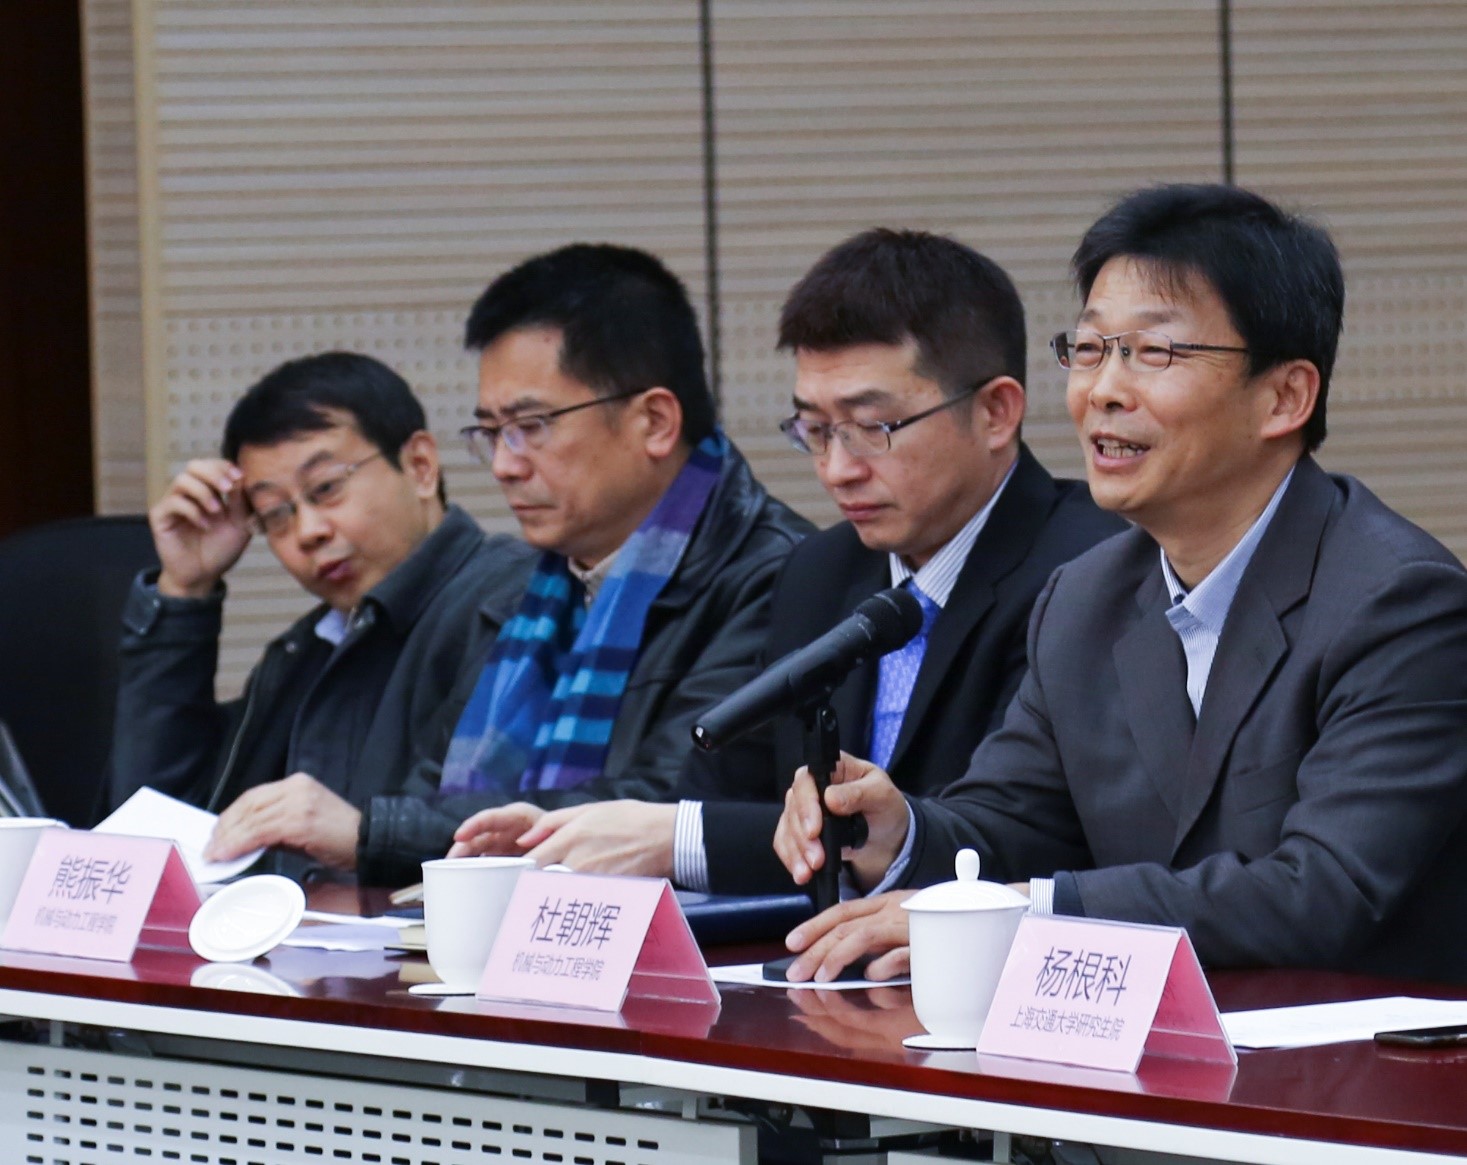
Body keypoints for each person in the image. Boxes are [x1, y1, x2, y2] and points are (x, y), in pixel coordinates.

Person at [775, 184, 1467, 984]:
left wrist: (1032, 912)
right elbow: (1012, 824)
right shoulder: (1084, 597)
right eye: (1090, 349)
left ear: (1283, 397)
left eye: (1153, 353)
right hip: (1143, 1045)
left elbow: (1321, 891)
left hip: (1351, 1053)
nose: (1101, 390)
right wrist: (898, 832)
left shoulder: (1399, 603)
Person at [447, 229, 1122, 890]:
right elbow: (726, 791)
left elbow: (1004, 832)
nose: (836, 468)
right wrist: (585, 834)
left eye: (871, 428)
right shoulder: (819, 571)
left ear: (996, 412)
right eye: (815, 430)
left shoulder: (1088, 571)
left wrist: (675, 837)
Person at [353, 244, 812, 886]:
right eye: (491, 432)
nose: (504, 465)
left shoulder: (777, 577)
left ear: (655, 421)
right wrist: (382, 831)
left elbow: (667, 805)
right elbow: (429, 786)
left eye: (532, 426)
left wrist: (372, 833)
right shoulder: (521, 589)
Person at [108, 351, 535, 876]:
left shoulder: (515, 605)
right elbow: (156, 839)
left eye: (327, 488)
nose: (308, 531)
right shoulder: (304, 652)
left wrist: (362, 833)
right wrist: (183, 593)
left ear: (420, 466)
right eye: (276, 514)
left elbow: (497, 834)